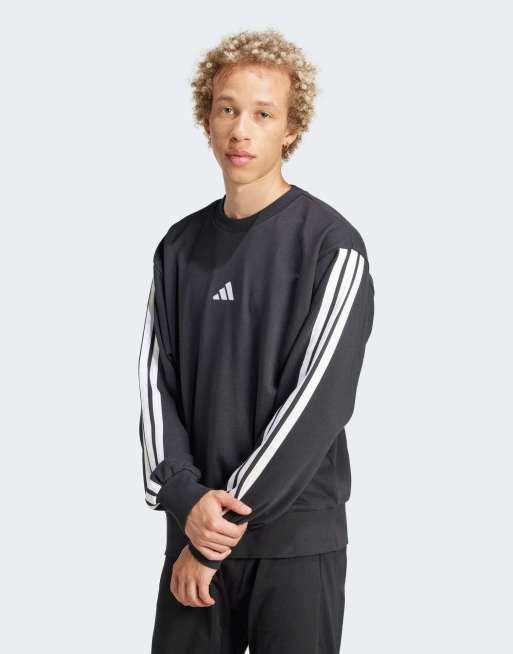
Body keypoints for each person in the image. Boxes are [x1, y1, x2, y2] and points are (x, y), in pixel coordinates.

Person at [138, 28, 375, 654]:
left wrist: (214, 534)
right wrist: (186, 502)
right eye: (227, 109)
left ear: (290, 129)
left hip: (292, 547)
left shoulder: (331, 246)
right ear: (207, 120)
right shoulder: (177, 249)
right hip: (192, 533)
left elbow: (318, 405)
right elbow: (156, 391)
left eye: (263, 114)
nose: (241, 130)